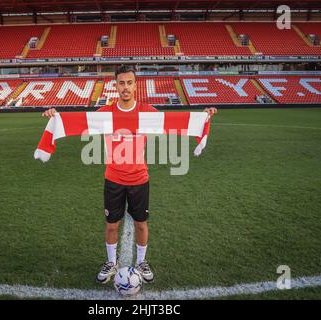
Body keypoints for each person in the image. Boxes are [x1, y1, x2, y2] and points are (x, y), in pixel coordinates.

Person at [42, 65, 217, 284]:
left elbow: (175, 122)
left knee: (141, 224)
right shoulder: (104, 114)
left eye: (129, 82)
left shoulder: (147, 112)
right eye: (121, 83)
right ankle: (111, 262)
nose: (125, 87)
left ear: (136, 85)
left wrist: (203, 117)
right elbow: (76, 122)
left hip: (139, 178)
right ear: (115, 85)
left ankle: (142, 262)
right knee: (111, 225)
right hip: (113, 178)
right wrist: (55, 117)